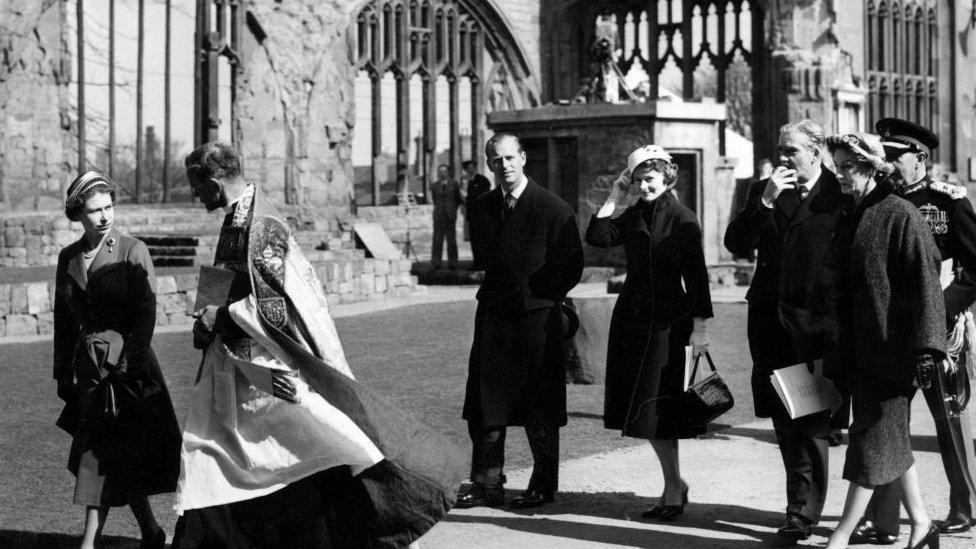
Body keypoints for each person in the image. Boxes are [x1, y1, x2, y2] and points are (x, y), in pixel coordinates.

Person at [172, 142, 464, 548]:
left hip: (270, 370)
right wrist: (206, 318)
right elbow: (225, 275)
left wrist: (219, 318)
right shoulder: (236, 217)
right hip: (236, 366)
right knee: (232, 457)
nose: (194, 195)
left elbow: (277, 311)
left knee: (296, 455)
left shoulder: (261, 226)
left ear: (215, 181)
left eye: (195, 186)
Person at [849, 118, 976, 544]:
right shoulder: (878, 201)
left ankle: (964, 507)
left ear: (919, 157)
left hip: (938, 332)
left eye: (894, 156)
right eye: (881, 155)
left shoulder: (948, 201)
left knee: (947, 420)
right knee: (888, 423)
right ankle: (880, 518)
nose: (886, 163)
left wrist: (940, 310)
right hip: (889, 332)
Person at [820, 132, 944, 549]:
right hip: (860, 351)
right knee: (891, 439)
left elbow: (925, 283)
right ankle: (923, 525)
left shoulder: (900, 214)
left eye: (848, 167)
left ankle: (839, 536)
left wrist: (927, 348)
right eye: (837, 166)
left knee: (870, 438)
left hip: (895, 352)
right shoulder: (851, 214)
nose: (840, 174)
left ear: (873, 167)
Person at [724, 120, 839, 542]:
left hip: (816, 325)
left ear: (816, 150)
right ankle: (798, 507)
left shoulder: (838, 192)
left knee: (812, 420)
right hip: (771, 323)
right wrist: (766, 202)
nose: (784, 157)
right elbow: (735, 243)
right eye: (780, 148)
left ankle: (804, 512)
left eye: (791, 150)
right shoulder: (764, 192)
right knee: (783, 420)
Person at [54, 171, 181, 549]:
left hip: (130, 369)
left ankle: (89, 542)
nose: (105, 216)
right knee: (110, 454)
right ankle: (152, 532)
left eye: (109, 207)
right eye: (95, 210)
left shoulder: (132, 250)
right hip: (90, 371)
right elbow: (64, 320)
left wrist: (130, 365)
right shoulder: (68, 258)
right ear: (79, 214)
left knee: (104, 453)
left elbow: (147, 313)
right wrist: (63, 375)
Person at [585, 145, 712, 520]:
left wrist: (701, 328)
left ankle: (673, 487)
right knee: (642, 409)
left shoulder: (682, 217)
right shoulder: (636, 211)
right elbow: (598, 236)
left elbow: (698, 277)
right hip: (634, 319)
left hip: (670, 323)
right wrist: (615, 196)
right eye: (638, 180)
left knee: (657, 408)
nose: (644, 186)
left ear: (667, 177)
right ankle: (674, 483)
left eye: (650, 179)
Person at [458, 133, 584, 509]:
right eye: (497, 160)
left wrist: (540, 295)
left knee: (539, 404)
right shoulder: (482, 207)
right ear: (489, 164)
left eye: (511, 158)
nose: (505, 166)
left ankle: (543, 485)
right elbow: (485, 259)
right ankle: (486, 483)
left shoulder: (552, 208)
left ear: (524, 158)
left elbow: (572, 264)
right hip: (494, 316)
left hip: (537, 319)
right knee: (485, 403)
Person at [430, 164, 462, 270]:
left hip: (450, 216)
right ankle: (436, 263)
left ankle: (453, 263)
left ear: (448, 172)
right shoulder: (434, 185)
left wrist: (452, 211)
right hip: (439, 216)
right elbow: (435, 199)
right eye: (440, 172)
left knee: (451, 240)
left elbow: (457, 200)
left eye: (444, 171)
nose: (442, 173)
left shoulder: (454, 184)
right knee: (437, 240)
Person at [463, 160, 492, 269]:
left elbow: (484, 196)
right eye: (468, 169)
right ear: (465, 170)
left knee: (482, 241)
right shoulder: (468, 182)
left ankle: (484, 264)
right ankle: (477, 263)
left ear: (475, 168)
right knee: (474, 241)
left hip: (482, 217)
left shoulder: (482, 180)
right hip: (472, 217)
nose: (471, 170)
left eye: (472, 168)